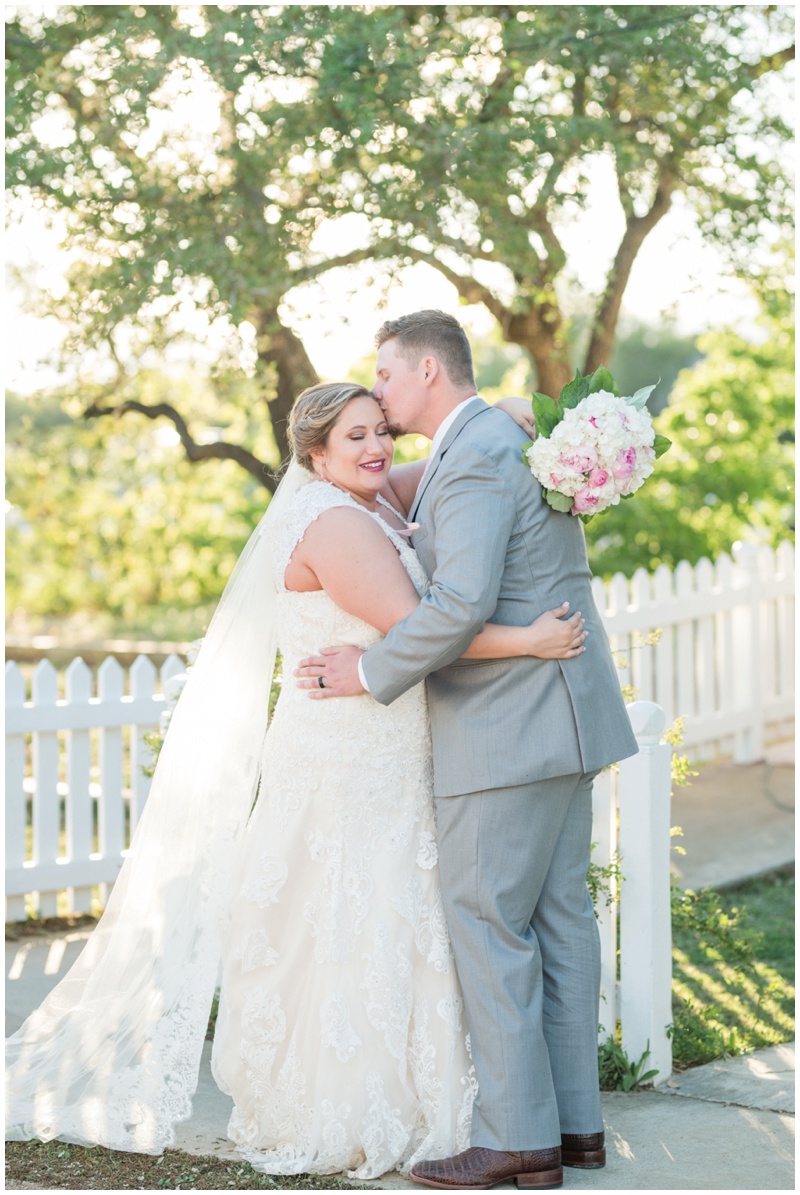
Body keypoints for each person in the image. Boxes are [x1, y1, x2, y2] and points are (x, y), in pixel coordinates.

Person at [5, 380, 586, 1182]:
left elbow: (453, 458)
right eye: (356, 437)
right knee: (357, 915)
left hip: (376, 744)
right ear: (315, 455)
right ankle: (355, 1103)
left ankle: (468, 1105)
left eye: (381, 430)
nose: (377, 447)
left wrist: (521, 421)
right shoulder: (341, 523)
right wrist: (529, 639)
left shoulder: (369, 493)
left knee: (389, 914)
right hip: (352, 757)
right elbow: (424, 630)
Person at [295, 311, 639, 1191]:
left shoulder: (478, 452)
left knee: (488, 922)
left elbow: (454, 607)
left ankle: (518, 1138)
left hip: (508, 725)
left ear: (425, 371)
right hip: (561, 713)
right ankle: (575, 1127)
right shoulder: (490, 437)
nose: (378, 386)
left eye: (385, 371)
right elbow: (386, 491)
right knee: (559, 918)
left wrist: (369, 670)